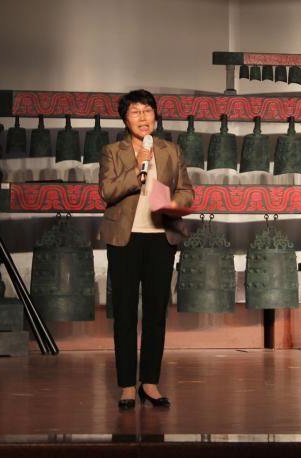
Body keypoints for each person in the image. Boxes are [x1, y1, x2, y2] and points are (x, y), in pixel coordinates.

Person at [98, 89, 194, 410]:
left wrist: (174, 203)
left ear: (156, 115)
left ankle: (149, 383)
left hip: (160, 239)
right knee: (125, 314)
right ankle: (127, 385)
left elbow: (186, 190)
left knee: (155, 315)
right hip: (124, 239)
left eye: (148, 111)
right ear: (125, 120)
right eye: (136, 112)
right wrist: (137, 167)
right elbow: (107, 191)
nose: (143, 118)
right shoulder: (113, 151)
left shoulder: (171, 150)